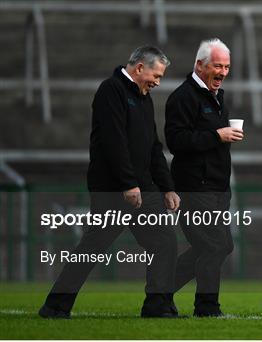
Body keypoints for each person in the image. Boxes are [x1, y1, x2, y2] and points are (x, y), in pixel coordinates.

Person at [39, 46, 181, 319]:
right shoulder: (110, 91)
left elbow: (153, 147)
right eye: (156, 75)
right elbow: (113, 142)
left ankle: (158, 306)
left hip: (145, 189)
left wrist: (168, 187)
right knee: (93, 248)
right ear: (139, 67)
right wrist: (128, 184)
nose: (158, 82)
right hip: (113, 189)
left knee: (164, 241)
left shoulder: (144, 97)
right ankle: (55, 306)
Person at [165, 38, 242, 317]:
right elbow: (176, 141)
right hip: (193, 188)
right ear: (200, 65)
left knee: (212, 245)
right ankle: (207, 308)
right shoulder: (182, 98)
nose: (222, 72)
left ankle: (160, 291)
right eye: (217, 66)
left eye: (227, 67)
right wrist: (216, 136)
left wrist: (223, 137)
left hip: (218, 187)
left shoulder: (217, 96)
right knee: (216, 244)